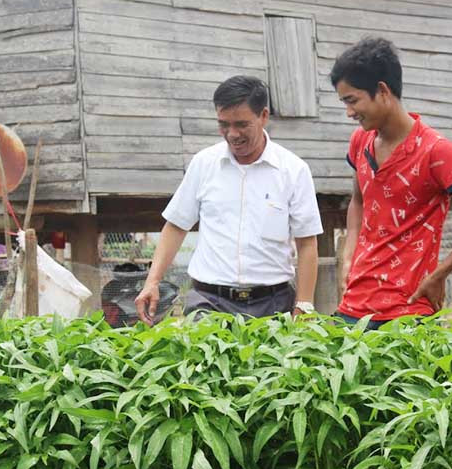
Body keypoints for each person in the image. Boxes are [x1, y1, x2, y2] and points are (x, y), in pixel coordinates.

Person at [330, 38, 452, 329]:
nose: (349, 112)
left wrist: (441, 272)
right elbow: (359, 200)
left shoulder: (435, 151)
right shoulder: (360, 142)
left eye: (352, 100)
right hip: (354, 305)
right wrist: (350, 250)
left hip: (408, 310)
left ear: (383, 91)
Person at [135, 76, 323, 324]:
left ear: (263, 116)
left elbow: (307, 243)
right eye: (224, 124)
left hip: (273, 304)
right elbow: (176, 225)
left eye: (242, 124)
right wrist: (152, 281)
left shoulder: (293, 170)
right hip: (209, 302)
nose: (232, 134)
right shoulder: (204, 164)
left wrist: (304, 306)